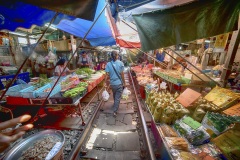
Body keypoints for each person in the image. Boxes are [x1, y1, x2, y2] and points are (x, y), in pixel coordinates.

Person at [105, 51, 125, 117]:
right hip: (119, 83)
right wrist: (124, 83)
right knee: (117, 98)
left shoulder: (108, 64)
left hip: (112, 84)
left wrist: (105, 83)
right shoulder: (120, 63)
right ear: (117, 56)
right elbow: (122, 74)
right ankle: (115, 111)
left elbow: (107, 74)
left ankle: (115, 105)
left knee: (114, 94)